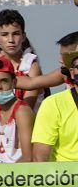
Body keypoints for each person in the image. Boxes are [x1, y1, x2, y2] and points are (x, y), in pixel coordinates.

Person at [32, 32, 78, 162]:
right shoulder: (53, 104)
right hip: (66, 180)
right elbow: (39, 159)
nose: (60, 60)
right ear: (72, 71)